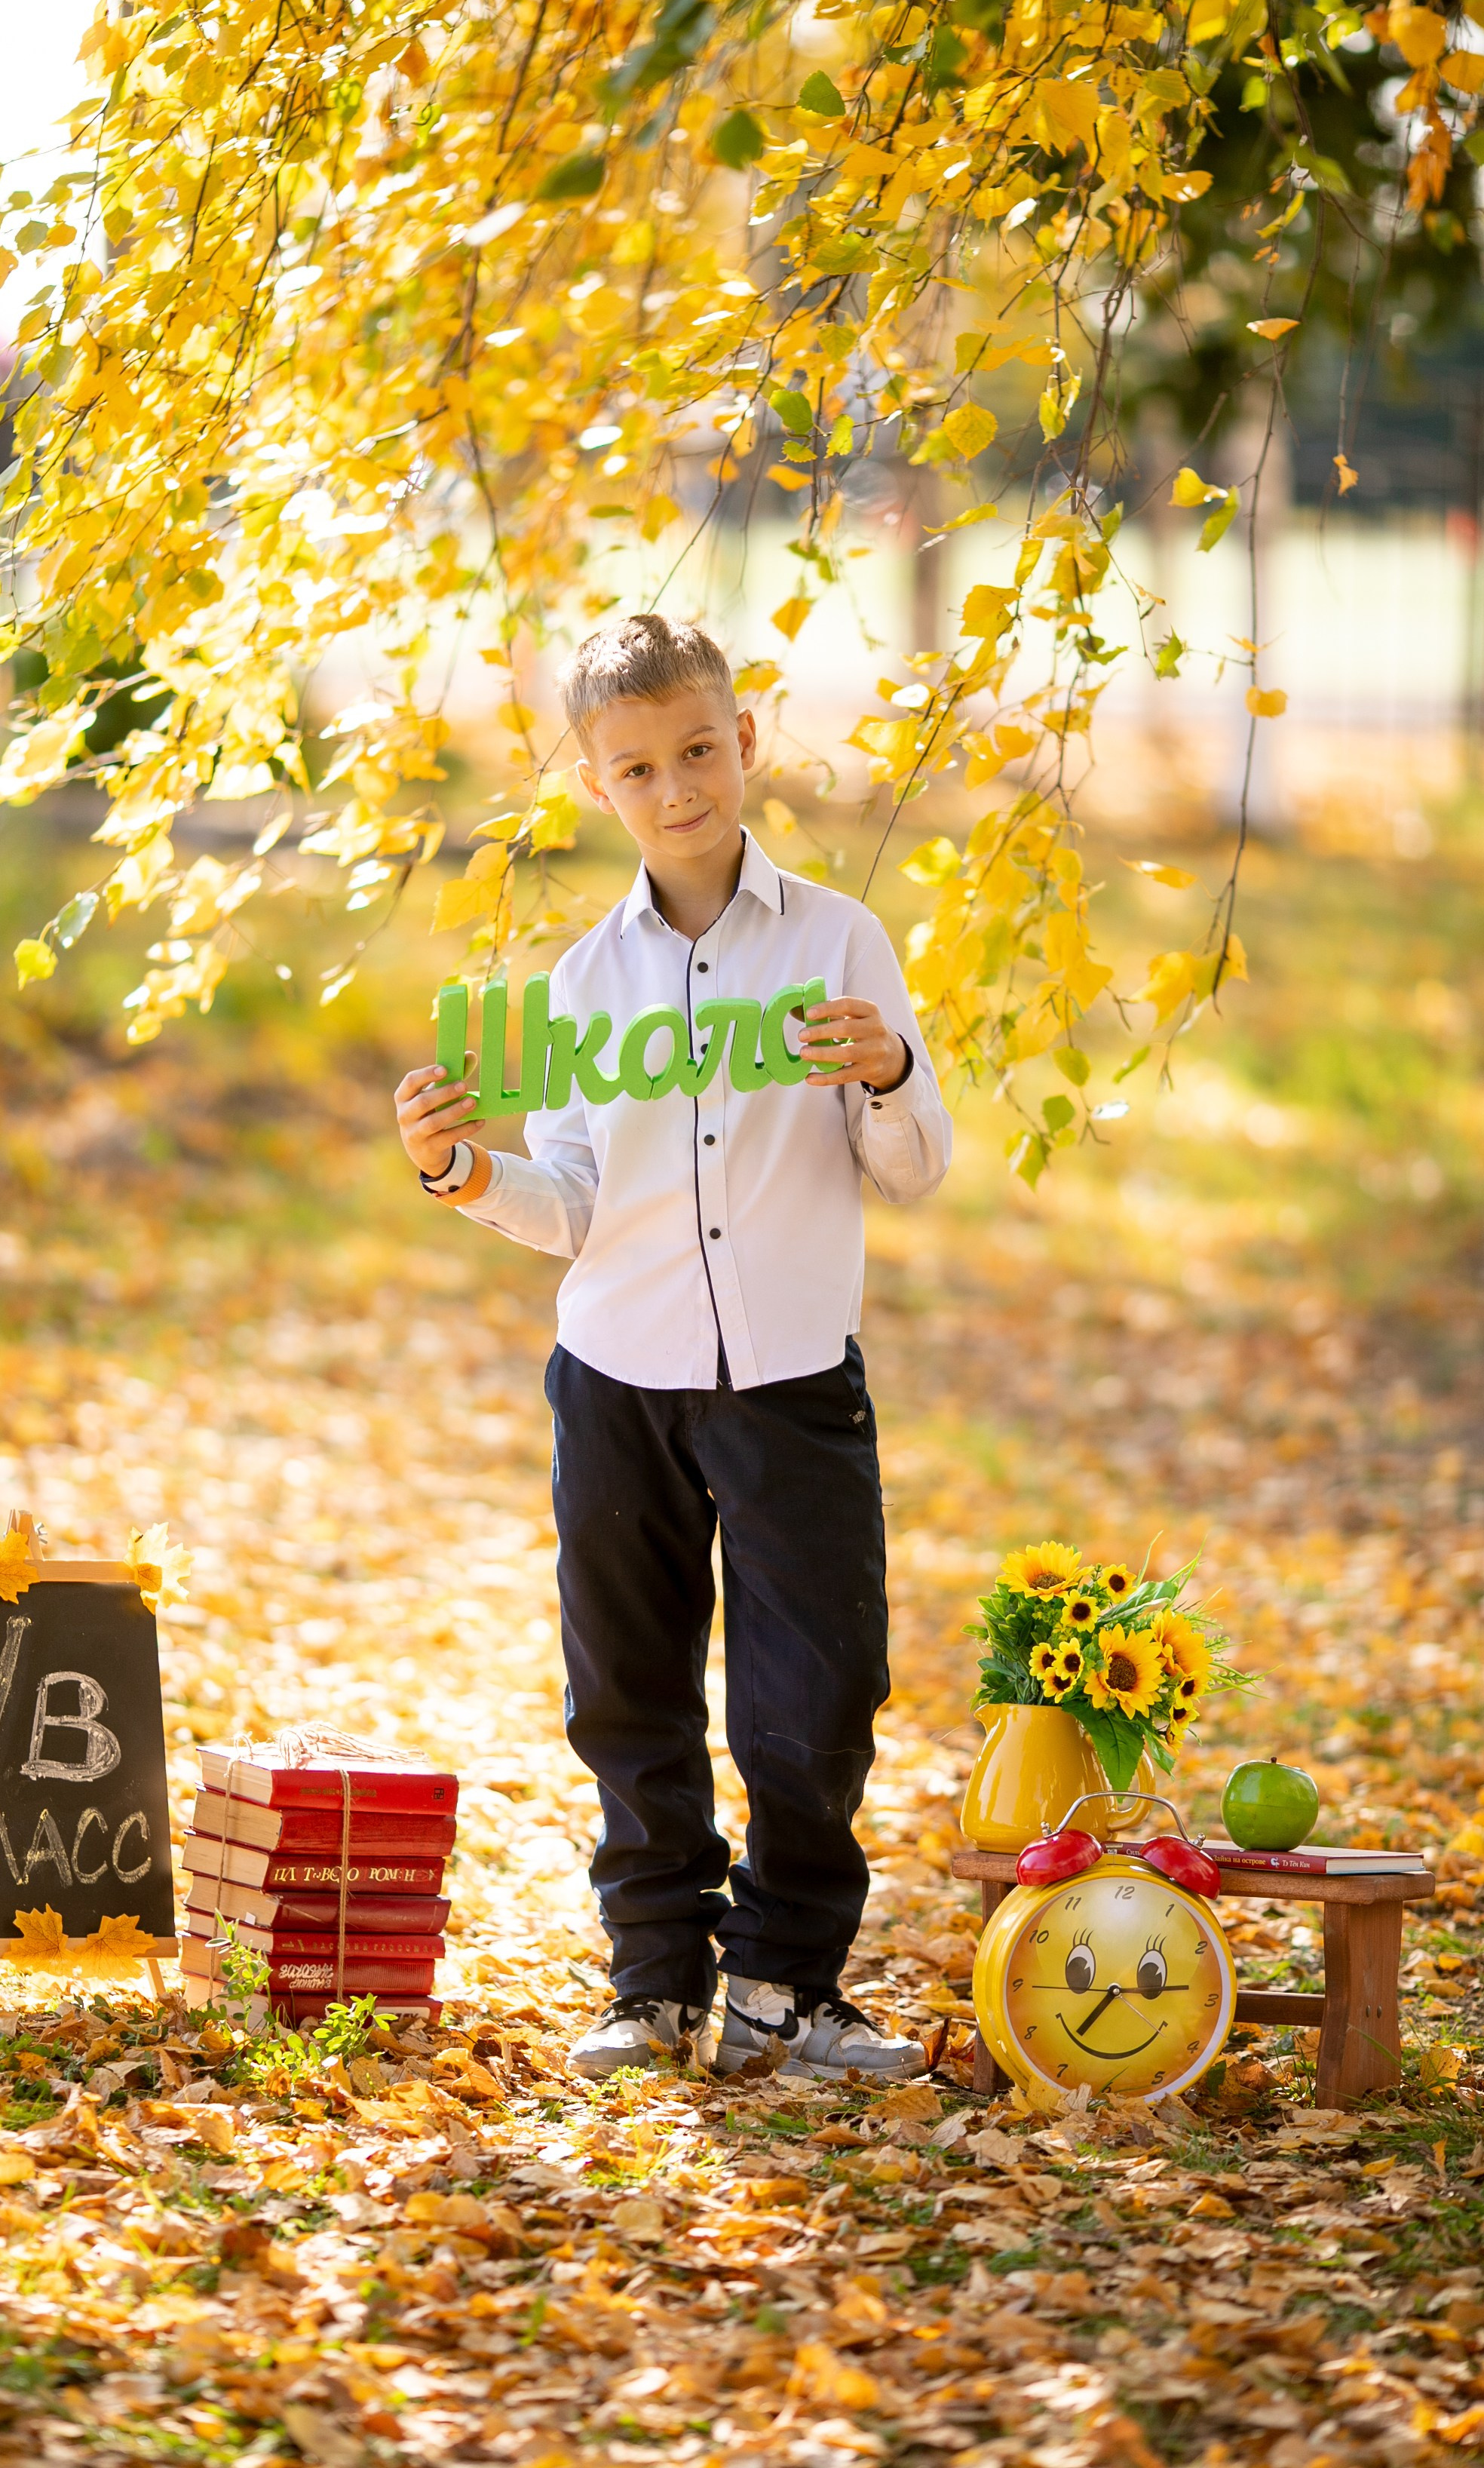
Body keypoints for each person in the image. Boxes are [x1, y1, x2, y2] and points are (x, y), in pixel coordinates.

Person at [395, 613, 952, 2079]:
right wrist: (461, 1175)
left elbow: (906, 1169)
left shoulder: (839, 940)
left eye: (699, 749)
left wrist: (890, 1072)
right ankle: (651, 1982)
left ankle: (785, 1983)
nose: (678, 785)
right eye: (638, 765)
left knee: (816, 1694)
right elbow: (573, 1200)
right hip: (616, 1376)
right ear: (599, 782)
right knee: (626, 1692)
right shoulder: (582, 983)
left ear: (745, 742)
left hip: (789, 1379)